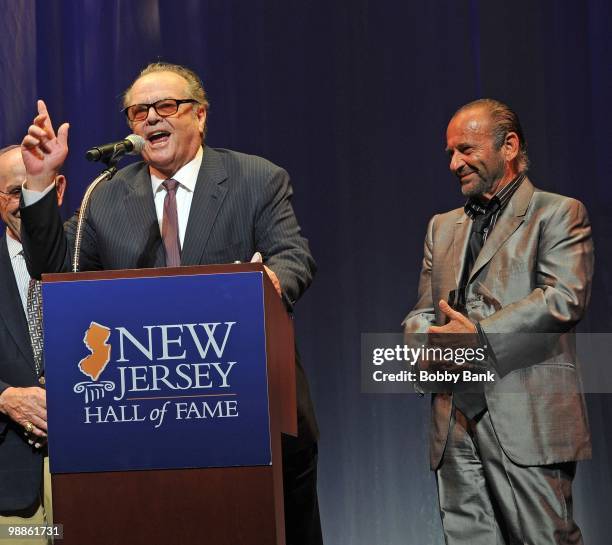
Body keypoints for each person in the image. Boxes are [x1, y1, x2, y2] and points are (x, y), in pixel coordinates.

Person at [19, 62, 322, 545]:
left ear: (200, 116)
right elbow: (54, 268)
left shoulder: (254, 177)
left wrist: (264, 283)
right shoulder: (107, 194)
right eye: (139, 112)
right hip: (143, 418)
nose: (152, 119)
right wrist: (38, 184)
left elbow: (293, 256)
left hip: (246, 407)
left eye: (166, 106)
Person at [403, 99, 593, 544]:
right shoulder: (442, 227)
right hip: (455, 423)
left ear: (508, 146)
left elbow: (564, 298)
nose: (455, 163)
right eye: (450, 153)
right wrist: (428, 344)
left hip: (526, 415)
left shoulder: (558, 213)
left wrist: (480, 337)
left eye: (466, 149)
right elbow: (421, 313)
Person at [0, 145, 65, 544]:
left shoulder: (88, 254)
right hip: (10, 489)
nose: (23, 203)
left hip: (90, 476)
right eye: (12, 191)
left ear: (57, 189)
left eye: (31, 189)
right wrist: (4, 398)